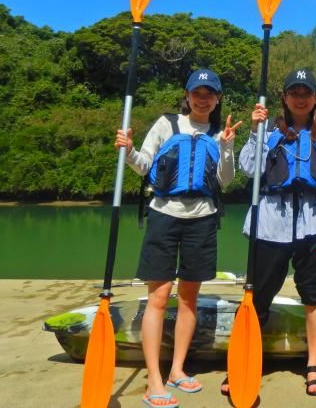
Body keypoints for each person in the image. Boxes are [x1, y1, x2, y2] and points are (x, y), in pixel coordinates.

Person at [115, 68, 242, 408]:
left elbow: (225, 180)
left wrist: (227, 147)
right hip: (164, 215)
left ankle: (176, 370)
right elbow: (144, 165)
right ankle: (153, 379)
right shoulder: (166, 124)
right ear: (187, 96)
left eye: (210, 93)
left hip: (202, 218)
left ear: (217, 99)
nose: (203, 98)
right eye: (197, 92)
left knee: (188, 298)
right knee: (158, 298)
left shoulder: (219, 133)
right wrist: (127, 151)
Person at [232, 68, 316, 397]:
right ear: (284, 97)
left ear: (315, 98)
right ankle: (244, 356)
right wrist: (256, 133)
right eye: (294, 92)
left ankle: (313, 364)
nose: (300, 97)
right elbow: (250, 170)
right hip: (270, 221)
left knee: (314, 295)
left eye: (306, 92)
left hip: (313, 223)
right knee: (257, 295)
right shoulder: (268, 130)